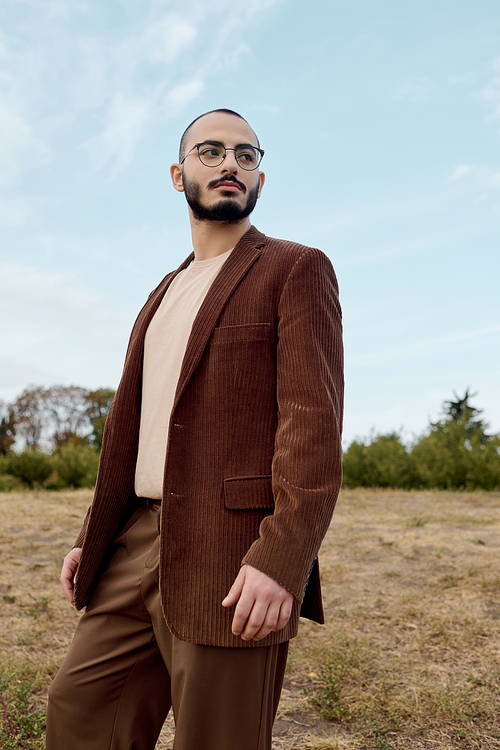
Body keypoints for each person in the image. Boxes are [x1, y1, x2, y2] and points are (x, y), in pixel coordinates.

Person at [46, 108, 344, 750]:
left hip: (233, 555)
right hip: (136, 541)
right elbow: (137, 433)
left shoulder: (295, 269)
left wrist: (282, 559)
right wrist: (92, 538)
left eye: (247, 154)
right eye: (211, 151)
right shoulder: (161, 293)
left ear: (259, 174)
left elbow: (311, 433)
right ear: (180, 174)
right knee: (80, 714)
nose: (231, 163)